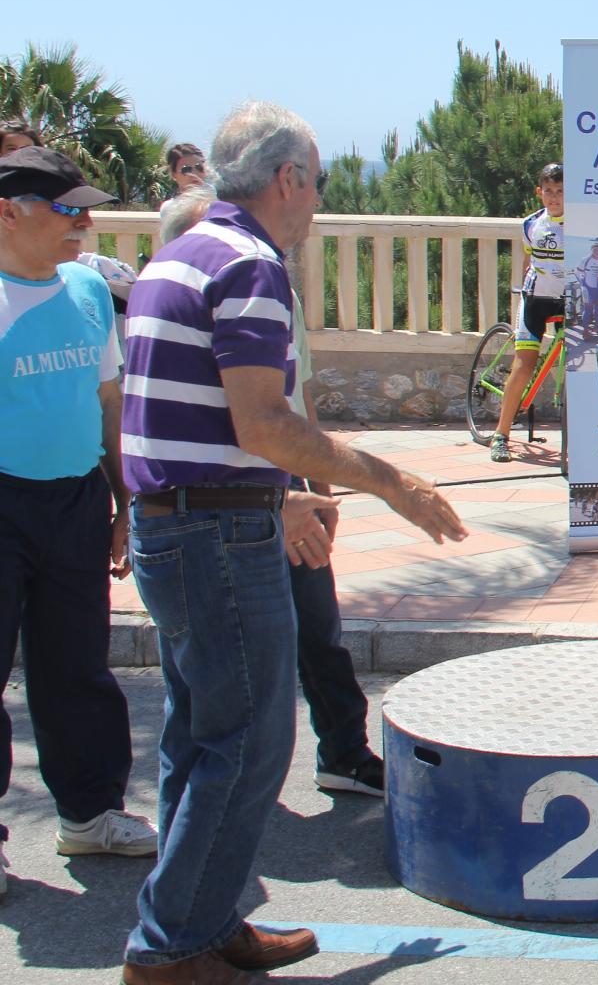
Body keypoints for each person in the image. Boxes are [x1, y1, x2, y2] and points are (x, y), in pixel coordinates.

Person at [120, 102, 466, 982]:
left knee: (199, 737)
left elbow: (201, 424)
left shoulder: (179, 253)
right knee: (247, 744)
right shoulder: (249, 264)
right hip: (216, 535)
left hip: (178, 523)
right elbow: (265, 423)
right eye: (318, 182)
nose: (318, 201)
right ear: (287, 179)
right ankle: (171, 949)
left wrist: (277, 499)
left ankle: (199, 917)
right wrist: (392, 481)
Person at [159, 186, 385, 798]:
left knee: (319, 630)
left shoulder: (268, 289)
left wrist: (320, 486)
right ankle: (208, 801)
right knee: (215, 684)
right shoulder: (184, 304)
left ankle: (344, 753)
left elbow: (298, 395)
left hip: (287, 486)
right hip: (228, 502)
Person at [0, 147, 157, 897]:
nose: (85, 225)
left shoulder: (90, 289)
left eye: (87, 210)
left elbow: (108, 402)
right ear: (8, 212)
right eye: (67, 210)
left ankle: (90, 814)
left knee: (78, 667)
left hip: (74, 502)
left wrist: (123, 501)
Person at [488, 162, 565, 462]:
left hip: (566, 299)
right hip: (536, 299)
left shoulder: (581, 224)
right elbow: (528, 261)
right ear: (539, 192)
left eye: (560, 191)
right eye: (548, 191)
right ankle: (501, 435)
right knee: (524, 365)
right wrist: (522, 291)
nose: (554, 197)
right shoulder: (531, 224)